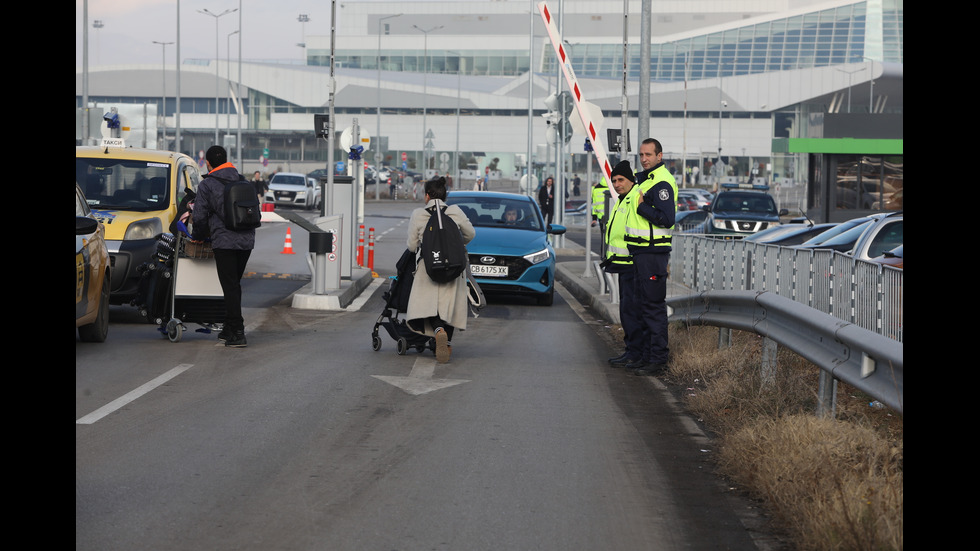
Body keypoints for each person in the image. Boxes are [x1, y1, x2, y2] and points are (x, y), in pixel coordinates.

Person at [406, 177, 476, 363]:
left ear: (427, 195)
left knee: (429, 308)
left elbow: (412, 246)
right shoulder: (454, 211)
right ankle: (447, 343)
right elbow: (471, 233)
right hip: (453, 267)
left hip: (428, 267)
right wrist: (455, 246)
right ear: (445, 195)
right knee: (449, 307)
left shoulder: (419, 214)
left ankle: (438, 332)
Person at [191, 145, 255, 348]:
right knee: (234, 285)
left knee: (229, 286)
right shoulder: (242, 180)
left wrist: (197, 236)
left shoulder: (207, 184)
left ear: (208, 163)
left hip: (224, 241)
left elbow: (199, 216)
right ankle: (229, 328)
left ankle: (238, 331)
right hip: (246, 241)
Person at [624, 138, 677, 376]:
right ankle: (646, 357)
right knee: (642, 306)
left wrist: (641, 207)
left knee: (653, 307)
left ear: (659, 156)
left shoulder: (662, 182)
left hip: (653, 252)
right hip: (641, 251)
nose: (644, 159)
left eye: (648, 154)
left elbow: (667, 219)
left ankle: (658, 359)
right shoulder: (646, 180)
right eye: (641, 155)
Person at [600, 161, 647, 369]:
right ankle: (631, 351)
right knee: (627, 310)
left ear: (631, 180)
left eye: (621, 180)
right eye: (614, 181)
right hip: (623, 263)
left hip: (633, 264)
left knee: (632, 311)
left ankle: (635, 353)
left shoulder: (635, 198)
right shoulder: (623, 199)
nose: (617, 184)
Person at [591, 175, 611, 258]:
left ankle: (603, 255)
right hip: (612, 216)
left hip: (601, 217)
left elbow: (594, 205)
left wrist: (594, 218)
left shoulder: (596, 189)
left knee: (603, 237)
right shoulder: (613, 186)